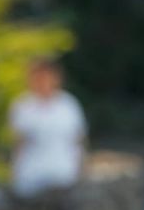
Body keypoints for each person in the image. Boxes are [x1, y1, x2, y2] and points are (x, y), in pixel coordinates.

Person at [6, 56, 87, 196]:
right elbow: (17, 143)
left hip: (64, 175)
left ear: (56, 78)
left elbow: (79, 140)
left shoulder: (68, 105)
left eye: (46, 76)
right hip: (30, 178)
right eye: (37, 77)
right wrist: (13, 173)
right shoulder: (22, 106)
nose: (42, 81)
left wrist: (81, 170)